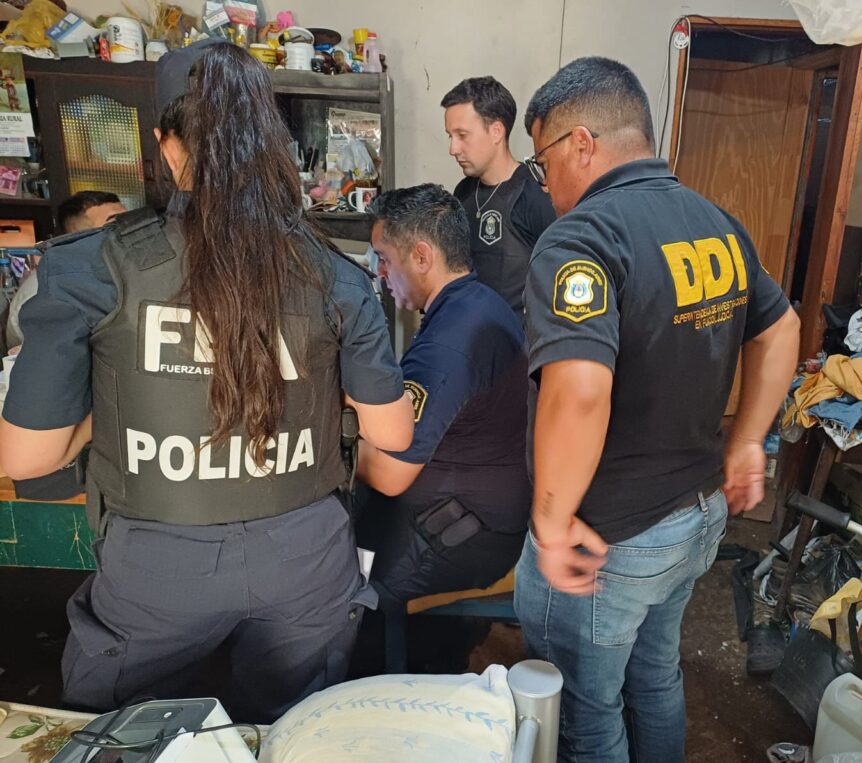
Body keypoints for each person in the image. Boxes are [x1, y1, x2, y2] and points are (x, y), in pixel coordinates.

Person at [0, 38, 413, 723]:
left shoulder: (93, 268)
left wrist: (118, 401)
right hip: (305, 560)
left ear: (168, 147)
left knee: (132, 742)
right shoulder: (333, 272)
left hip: (158, 570)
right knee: (292, 737)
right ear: (271, 145)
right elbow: (392, 432)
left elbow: (25, 456)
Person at [513, 57, 801, 763]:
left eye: (542, 160)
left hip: (610, 539)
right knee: (654, 675)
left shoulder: (580, 239)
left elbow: (580, 390)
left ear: (582, 143)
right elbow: (782, 327)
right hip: (695, 517)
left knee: (585, 715)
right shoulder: (714, 222)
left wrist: (552, 521)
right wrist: (747, 441)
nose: (543, 181)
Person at [356, 184, 530, 612]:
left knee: (336, 581)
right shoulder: (480, 301)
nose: (380, 273)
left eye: (384, 258)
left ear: (421, 256)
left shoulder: (448, 345)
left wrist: (324, 446)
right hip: (486, 513)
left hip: (458, 536)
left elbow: (391, 475)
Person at [442, 76, 556, 316]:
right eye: (450, 136)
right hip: (469, 328)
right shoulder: (463, 192)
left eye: (462, 135)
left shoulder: (534, 196)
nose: (453, 149)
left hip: (515, 336)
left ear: (496, 132)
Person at [6, 191, 126, 349]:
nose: (131, 230)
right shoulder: (45, 289)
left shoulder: (127, 271)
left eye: (129, 220)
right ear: (80, 237)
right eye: (114, 224)